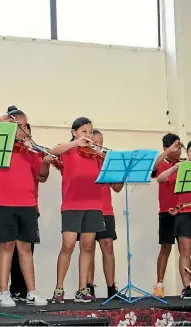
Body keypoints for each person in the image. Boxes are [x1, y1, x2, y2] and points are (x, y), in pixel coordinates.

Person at [0, 106, 50, 307]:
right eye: (18, 126)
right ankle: (3, 292)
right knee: (6, 247)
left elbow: (41, 174)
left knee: (25, 248)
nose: (23, 130)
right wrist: (5, 123)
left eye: (25, 126)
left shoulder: (30, 151)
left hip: (27, 204)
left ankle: (31, 291)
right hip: (2, 203)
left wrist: (46, 161)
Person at [50, 117, 106, 303]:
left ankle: (82, 288)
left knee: (88, 246)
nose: (88, 135)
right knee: (68, 245)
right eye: (84, 131)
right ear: (74, 132)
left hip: (94, 204)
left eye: (90, 132)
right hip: (72, 204)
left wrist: (103, 155)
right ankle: (59, 288)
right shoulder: (68, 149)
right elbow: (52, 152)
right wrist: (75, 143)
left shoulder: (95, 154)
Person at [158, 139, 191, 299]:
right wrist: (175, 167)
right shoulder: (181, 167)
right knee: (185, 252)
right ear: (187, 153)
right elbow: (160, 178)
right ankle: (187, 286)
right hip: (185, 212)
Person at [86, 129, 123, 300]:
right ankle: (88, 287)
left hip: (106, 209)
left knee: (108, 246)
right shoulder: (84, 159)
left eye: (101, 141)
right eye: (95, 141)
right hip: (88, 207)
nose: (99, 145)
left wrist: (121, 171)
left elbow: (116, 188)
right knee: (89, 248)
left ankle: (111, 288)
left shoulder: (107, 160)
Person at [151, 133, 183, 298]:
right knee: (165, 248)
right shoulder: (162, 164)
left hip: (185, 211)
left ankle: (189, 286)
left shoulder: (185, 164)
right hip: (167, 211)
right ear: (166, 148)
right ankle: (159, 284)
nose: (179, 152)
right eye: (175, 148)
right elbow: (153, 168)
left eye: (180, 148)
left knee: (186, 250)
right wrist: (168, 152)